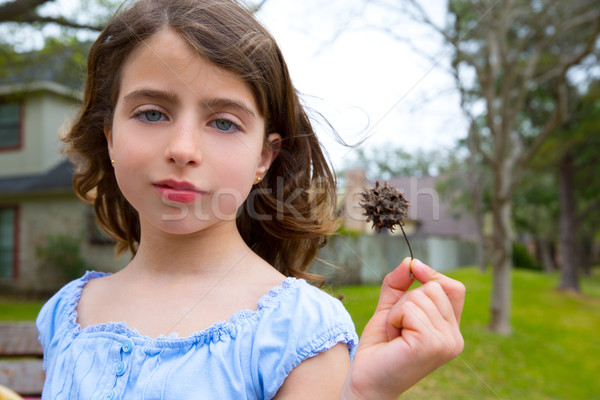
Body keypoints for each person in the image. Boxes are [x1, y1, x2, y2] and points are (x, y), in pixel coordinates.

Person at [36, 0, 465, 398]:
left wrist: (362, 394)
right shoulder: (65, 313)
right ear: (110, 137)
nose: (183, 148)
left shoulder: (297, 331)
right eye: (152, 113)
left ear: (263, 157)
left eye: (223, 123)